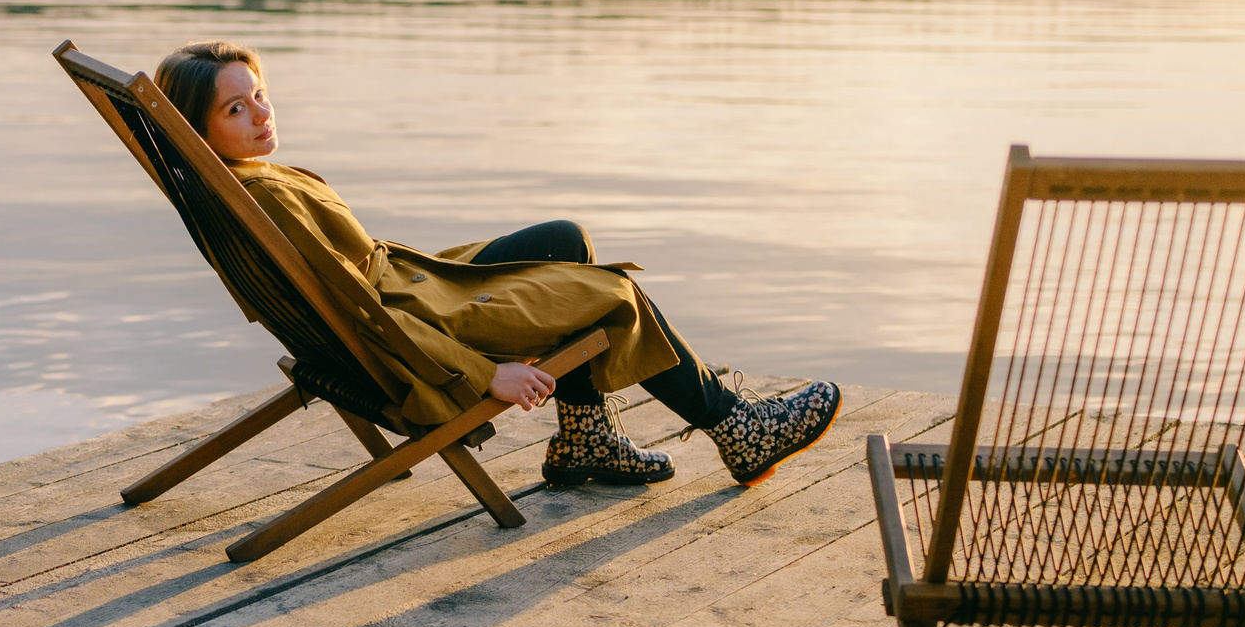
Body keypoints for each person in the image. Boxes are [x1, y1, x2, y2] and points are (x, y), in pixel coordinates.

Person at [155, 39, 842, 489]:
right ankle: (738, 429)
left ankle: (586, 440)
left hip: (415, 287)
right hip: (420, 329)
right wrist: (488, 375)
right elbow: (364, 314)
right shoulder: (265, 199)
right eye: (236, 108)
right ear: (195, 128)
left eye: (260, 94)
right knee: (611, 294)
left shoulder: (229, 182)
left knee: (564, 240)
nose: (261, 114)